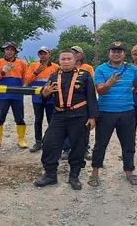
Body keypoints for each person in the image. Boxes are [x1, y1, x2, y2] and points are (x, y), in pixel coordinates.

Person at [34, 50, 98, 190]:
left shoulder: (85, 76)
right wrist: (44, 94)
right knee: (49, 143)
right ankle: (50, 175)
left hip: (79, 115)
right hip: (59, 115)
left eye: (69, 59)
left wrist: (92, 117)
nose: (66, 61)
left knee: (78, 145)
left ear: (74, 60)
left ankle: (74, 176)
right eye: (63, 59)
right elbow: (46, 95)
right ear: (59, 61)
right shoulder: (54, 76)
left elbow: (92, 98)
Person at [88, 41, 137, 187]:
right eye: (114, 51)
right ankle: (95, 171)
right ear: (109, 53)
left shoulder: (132, 69)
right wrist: (109, 83)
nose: (116, 54)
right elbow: (100, 91)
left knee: (128, 143)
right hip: (106, 112)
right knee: (100, 144)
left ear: (124, 53)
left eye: (120, 51)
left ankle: (129, 170)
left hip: (127, 112)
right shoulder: (101, 69)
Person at [61, 46, 95, 160]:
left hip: (82, 103)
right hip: (65, 104)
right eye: (72, 52)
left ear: (81, 55)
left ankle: (85, 148)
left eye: (76, 52)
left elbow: (91, 86)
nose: (74, 54)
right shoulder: (64, 69)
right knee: (65, 127)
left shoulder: (87, 68)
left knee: (83, 128)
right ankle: (66, 148)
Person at [0, 42, 28, 149]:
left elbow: (25, 79)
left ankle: (21, 139)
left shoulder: (22, 63)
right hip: (2, 95)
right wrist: (3, 72)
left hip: (17, 95)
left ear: (15, 52)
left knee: (20, 117)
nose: (9, 51)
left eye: (12, 50)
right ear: (4, 51)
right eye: (7, 49)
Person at [24, 46, 59, 152]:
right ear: (38, 55)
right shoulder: (33, 65)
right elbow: (27, 80)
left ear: (49, 54)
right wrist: (36, 72)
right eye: (41, 54)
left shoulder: (56, 66)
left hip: (51, 98)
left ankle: (49, 141)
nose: (43, 56)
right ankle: (38, 142)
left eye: (45, 53)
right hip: (37, 98)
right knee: (38, 120)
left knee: (51, 120)